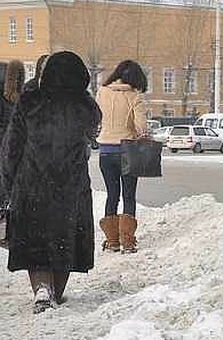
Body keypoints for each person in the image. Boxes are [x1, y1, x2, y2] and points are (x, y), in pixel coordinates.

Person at [0, 51, 102, 313]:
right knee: (64, 240)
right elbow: (92, 136)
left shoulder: (30, 100)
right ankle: (56, 291)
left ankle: (41, 289)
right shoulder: (86, 105)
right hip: (71, 187)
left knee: (35, 240)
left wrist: (9, 182)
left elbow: (12, 146)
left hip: (32, 183)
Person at [95, 60, 148, 254]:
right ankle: (127, 240)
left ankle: (111, 241)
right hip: (127, 151)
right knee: (128, 195)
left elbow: (96, 117)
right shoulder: (134, 96)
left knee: (112, 194)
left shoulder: (102, 92)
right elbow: (142, 126)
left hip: (106, 151)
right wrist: (139, 132)